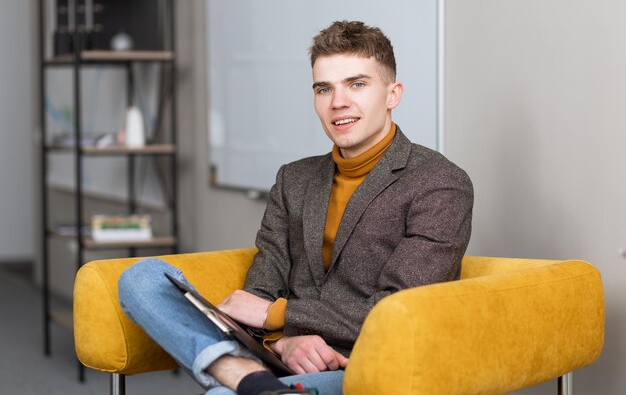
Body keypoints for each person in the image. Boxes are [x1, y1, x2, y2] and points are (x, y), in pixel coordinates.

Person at [118, 21, 473, 395]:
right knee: (143, 276)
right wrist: (279, 342)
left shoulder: (440, 183)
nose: (338, 102)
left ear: (392, 93)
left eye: (357, 84)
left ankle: (238, 382)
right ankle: (239, 374)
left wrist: (279, 317)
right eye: (324, 89)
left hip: (363, 363)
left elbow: (395, 312)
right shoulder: (294, 178)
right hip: (276, 355)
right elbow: (261, 287)